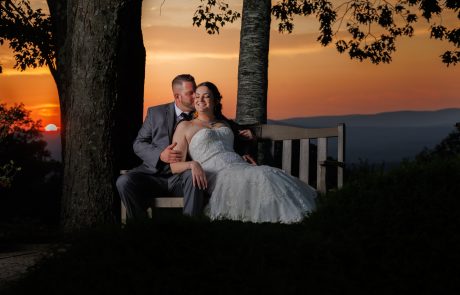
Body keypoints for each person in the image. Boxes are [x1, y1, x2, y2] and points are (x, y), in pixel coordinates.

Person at [170, 81, 317, 223]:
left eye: (206, 96)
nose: (200, 99)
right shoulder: (185, 126)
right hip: (216, 172)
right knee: (260, 175)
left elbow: (238, 143)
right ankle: (284, 220)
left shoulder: (225, 123)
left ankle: (287, 217)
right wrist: (192, 164)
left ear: (215, 101)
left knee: (265, 173)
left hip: (238, 164)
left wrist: (251, 139)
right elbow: (174, 166)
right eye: (197, 96)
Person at [116, 74, 254, 219]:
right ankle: (141, 229)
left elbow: (224, 136)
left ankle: (189, 228)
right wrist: (160, 155)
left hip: (184, 175)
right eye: (191, 93)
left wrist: (247, 143)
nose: (196, 96)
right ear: (177, 97)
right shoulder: (156, 113)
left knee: (193, 177)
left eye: (196, 91)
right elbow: (139, 143)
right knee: (124, 181)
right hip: (154, 174)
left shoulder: (204, 114)